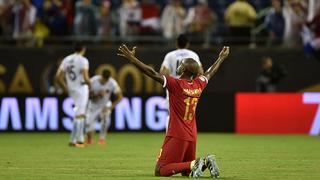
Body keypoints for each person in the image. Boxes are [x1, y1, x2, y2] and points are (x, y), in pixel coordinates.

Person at [117, 44, 230, 178]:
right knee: (187, 171)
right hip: (192, 134)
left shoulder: (175, 85)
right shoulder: (199, 84)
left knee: (161, 170)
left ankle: (198, 163)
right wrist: (221, 58)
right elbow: (210, 72)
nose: (179, 65)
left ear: (185, 69)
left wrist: (132, 59)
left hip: (177, 133)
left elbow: (151, 73)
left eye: (182, 64)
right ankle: (205, 161)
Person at [160, 34, 203, 132]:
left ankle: (170, 135)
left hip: (175, 86)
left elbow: (163, 73)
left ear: (176, 43)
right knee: (187, 115)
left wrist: (170, 81)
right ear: (187, 44)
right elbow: (200, 72)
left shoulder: (170, 55)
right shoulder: (193, 55)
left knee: (171, 114)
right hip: (189, 87)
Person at [55, 43, 91, 147]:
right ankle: (73, 140)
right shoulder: (83, 60)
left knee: (80, 113)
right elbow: (85, 77)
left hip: (72, 89)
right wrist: (90, 84)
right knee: (79, 114)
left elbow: (58, 77)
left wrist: (65, 87)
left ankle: (80, 139)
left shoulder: (67, 59)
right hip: (81, 88)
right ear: (83, 49)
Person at [85, 69, 123, 145]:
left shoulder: (112, 83)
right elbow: (86, 95)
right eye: (104, 79)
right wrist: (97, 95)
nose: (105, 81)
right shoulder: (93, 81)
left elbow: (120, 97)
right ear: (101, 76)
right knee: (89, 124)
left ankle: (102, 139)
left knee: (105, 120)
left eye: (107, 80)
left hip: (105, 105)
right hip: (93, 106)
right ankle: (89, 139)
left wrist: (110, 107)